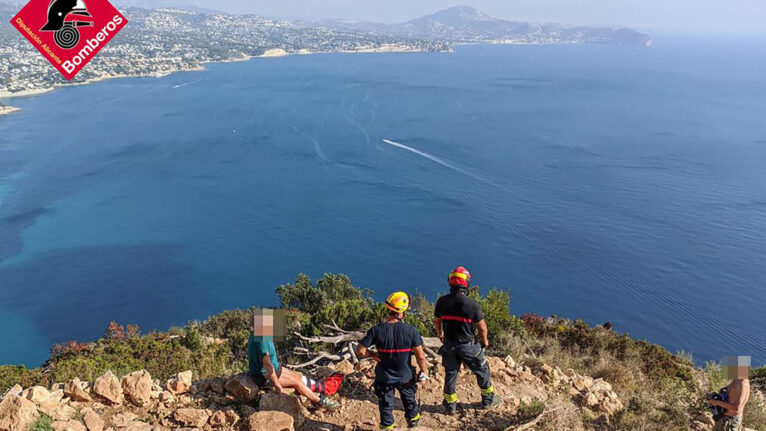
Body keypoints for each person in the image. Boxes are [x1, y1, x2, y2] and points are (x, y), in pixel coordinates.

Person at [356, 292, 430, 429]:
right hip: (406, 376)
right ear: (401, 313)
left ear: (389, 309)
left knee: (385, 406)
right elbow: (420, 356)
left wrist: (373, 355)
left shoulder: (376, 330)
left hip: (384, 377)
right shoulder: (411, 331)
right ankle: (413, 424)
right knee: (410, 402)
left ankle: (388, 427)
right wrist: (423, 371)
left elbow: (360, 351)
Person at [435, 266, 500, 414]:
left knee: (451, 374)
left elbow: (437, 321)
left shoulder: (442, 302)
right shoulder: (472, 305)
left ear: (451, 282)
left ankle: (450, 406)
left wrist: (440, 334)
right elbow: (482, 328)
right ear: (466, 284)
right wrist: (484, 341)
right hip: (468, 346)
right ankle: (487, 400)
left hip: (449, 345)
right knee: (482, 370)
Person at [249, 309, 341, 410]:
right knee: (297, 383)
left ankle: (317, 388)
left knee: (298, 376)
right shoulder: (262, 340)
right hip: (264, 375)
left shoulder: (257, 334)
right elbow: (267, 364)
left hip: (276, 368)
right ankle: (320, 402)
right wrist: (276, 383)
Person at [708, 356, 752, 431]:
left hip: (729, 421)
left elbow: (736, 408)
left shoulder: (742, 384)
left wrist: (715, 402)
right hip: (727, 419)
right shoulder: (740, 380)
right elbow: (730, 395)